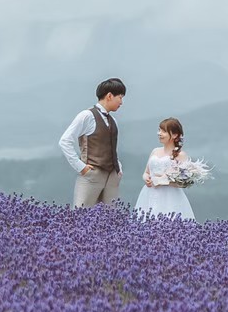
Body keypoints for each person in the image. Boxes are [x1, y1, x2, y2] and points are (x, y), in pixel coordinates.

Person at [59, 78, 126, 208]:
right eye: (120, 97)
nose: (121, 102)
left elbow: (112, 148)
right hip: (91, 175)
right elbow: (65, 141)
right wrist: (81, 167)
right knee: (81, 216)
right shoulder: (86, 116)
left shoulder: (113, 121)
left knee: (113, 220)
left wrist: (119, 167)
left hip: (112, 176)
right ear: (109, 96)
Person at [135, 117, 197, 220]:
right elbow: (146, 172)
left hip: (170, 197)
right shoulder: (155, 151)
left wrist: (162, 181)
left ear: (174, 135)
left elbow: (183, 183)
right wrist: (145, 178)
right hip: (149, 193)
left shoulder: (180, 155)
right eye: (159, 130)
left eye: (163, 131)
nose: (159, 133)